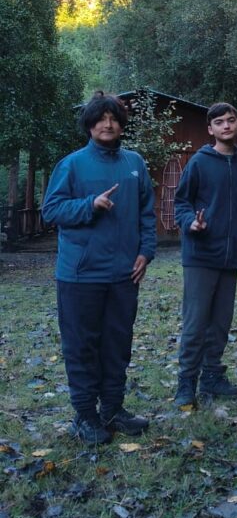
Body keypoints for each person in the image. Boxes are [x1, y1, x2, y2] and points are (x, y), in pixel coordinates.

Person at [42, 93, 156, 446]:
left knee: (117, 345)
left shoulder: (135, 163)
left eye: (114, 118)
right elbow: (52, 210)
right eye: (101, 118)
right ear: (89, 124)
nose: (108, 124)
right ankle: (85, 416)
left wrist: (146, 252)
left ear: (122, 124)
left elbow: (147, 213)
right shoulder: (72, 165)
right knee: (82, 346)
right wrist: (89, 205)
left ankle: (112, 410)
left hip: (124, 274)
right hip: (80, 275)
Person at [173, 103, 237, 407]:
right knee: (196, 322)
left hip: (232, 258)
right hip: (200, 255)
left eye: (231, 120)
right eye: (219, 122)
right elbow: (181, 204)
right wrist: (191, 222)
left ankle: (212, 376)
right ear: (210, 129)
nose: (226, 126)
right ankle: (186, 382)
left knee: (221, 323)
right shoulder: (198, 163)